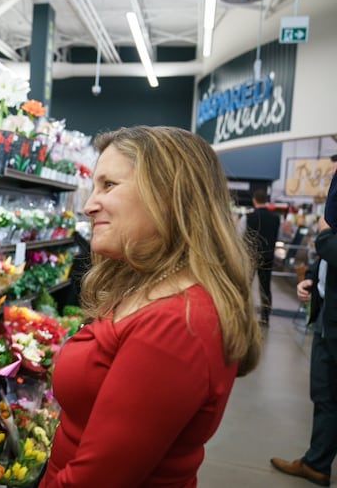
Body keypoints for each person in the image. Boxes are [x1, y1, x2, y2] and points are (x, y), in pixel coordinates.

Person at [40, 126, 262, 487]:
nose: (88, 205)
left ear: (166, 195)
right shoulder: (146, 284)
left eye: (108, 185)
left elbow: (96, 480)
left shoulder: (177, 325)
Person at [270, 173, 337, 487]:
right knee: (324, 393)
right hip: (328, 314)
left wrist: (324, 237)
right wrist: (313, 275)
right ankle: (316, 463)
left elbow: (329, 237)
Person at [241, 188, 281, 325]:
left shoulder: (248, 217)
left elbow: (241, 237)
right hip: (268, 256)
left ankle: (243, 314)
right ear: (266, 201)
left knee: (246, 285)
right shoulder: (275, 218)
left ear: (254, 200)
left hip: (251, 256)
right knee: (265, 287)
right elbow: (277, 236)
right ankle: (265, 317)